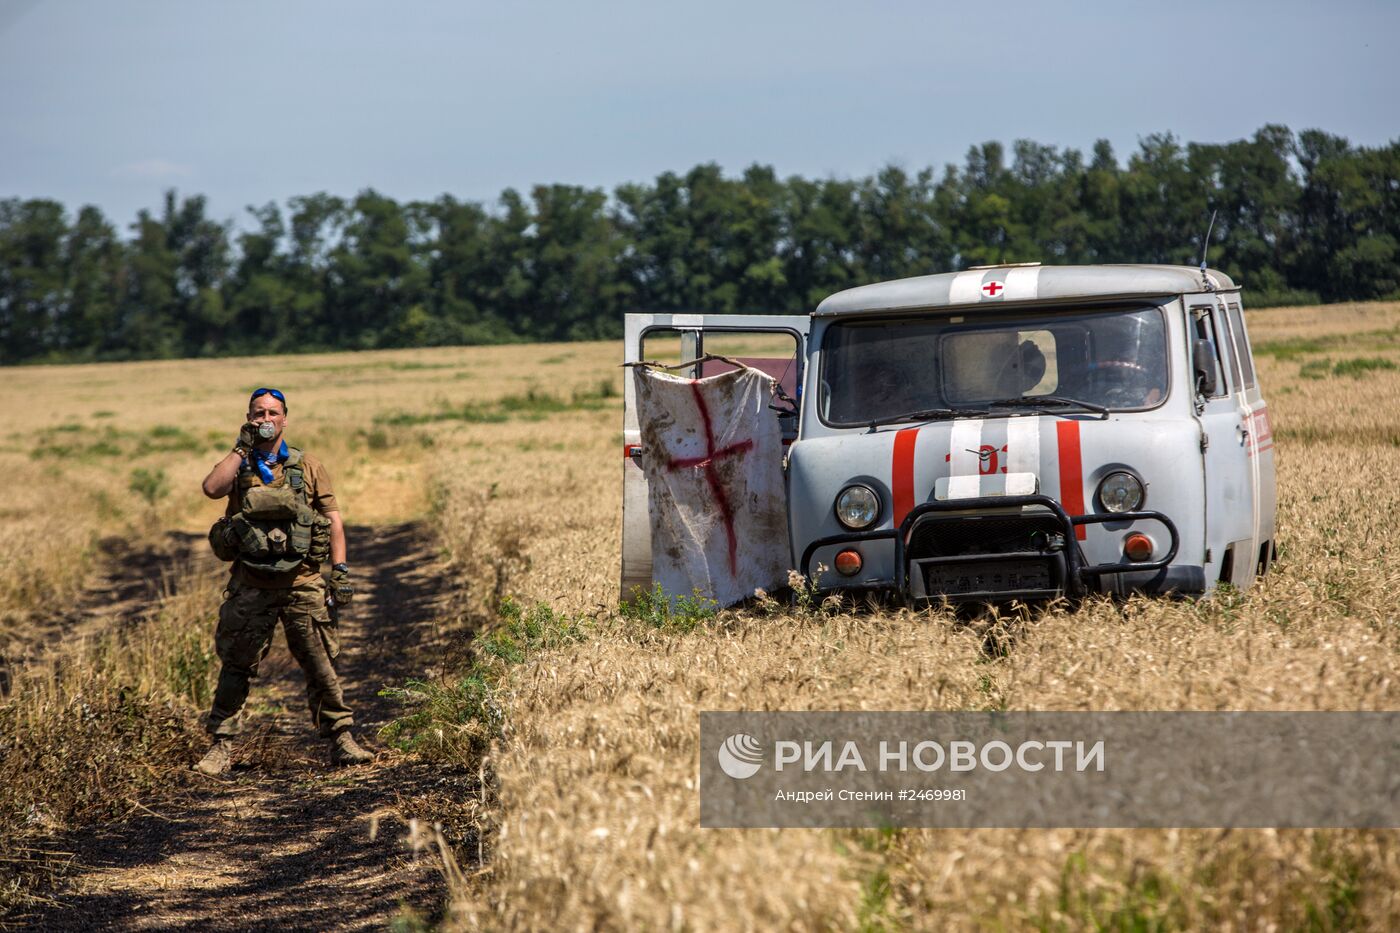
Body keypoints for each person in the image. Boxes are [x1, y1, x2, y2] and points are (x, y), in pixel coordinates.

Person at [193, 387, 373, 775]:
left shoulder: (307, 465)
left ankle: (342, 739)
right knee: (237, 665)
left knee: (320, 663)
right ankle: (221, 747)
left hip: (302, 582)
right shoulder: (239, 464)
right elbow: (211, 489)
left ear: (285, 419)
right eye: (258, 413)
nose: (265, 420)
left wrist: (339, 572)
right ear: (248, 417)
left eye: (273, 413)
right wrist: (240, 449)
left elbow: (334, 519)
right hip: (251, 585)